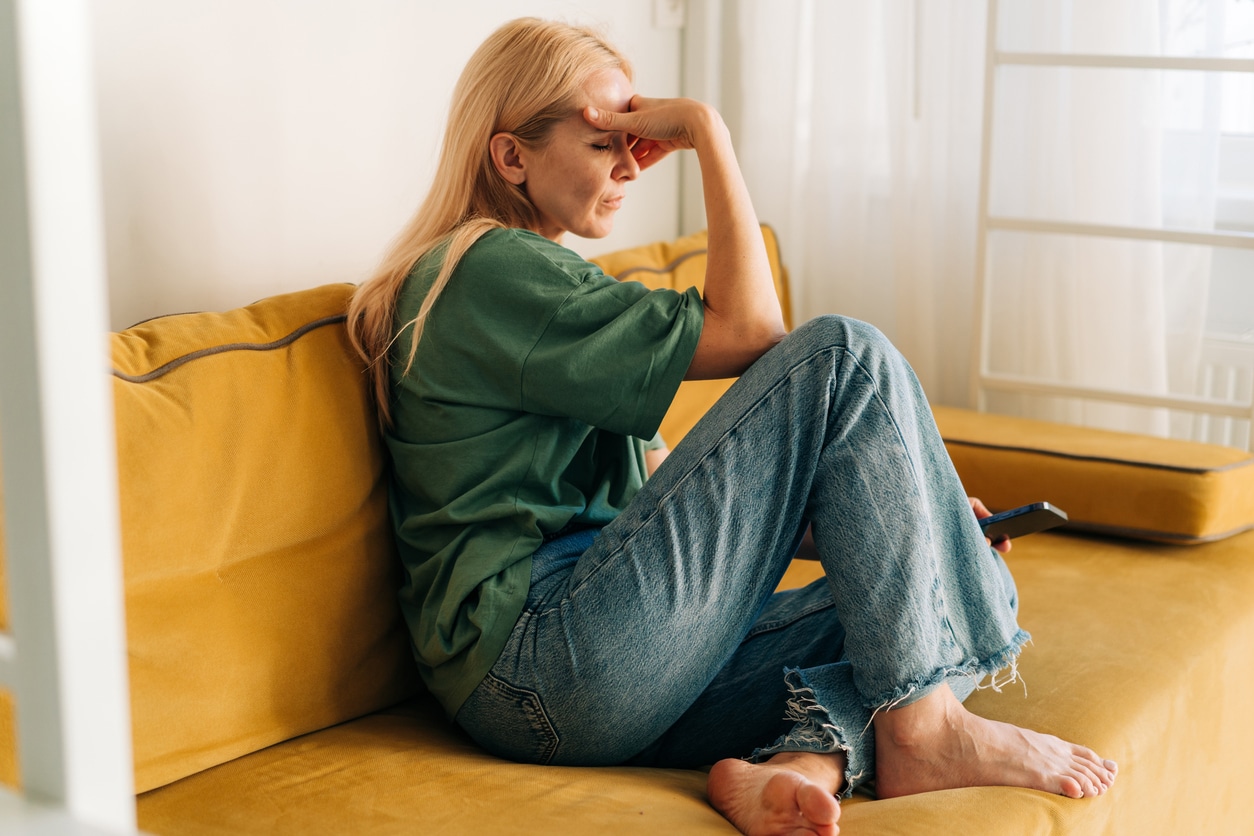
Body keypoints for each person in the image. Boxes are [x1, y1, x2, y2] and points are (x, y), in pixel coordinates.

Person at [347, 17, 1117, 836]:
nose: (630, 166)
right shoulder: (489, 272)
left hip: (599, 667)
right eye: (611, 138)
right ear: (512, 156)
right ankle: (921, 732)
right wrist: (708, 134)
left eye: (639, 140)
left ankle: (801, 764)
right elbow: (757, 332)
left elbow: (689, 497)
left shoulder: (542, 288)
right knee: (845, 354)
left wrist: (911, 514)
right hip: (540, 657)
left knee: (965, 586)